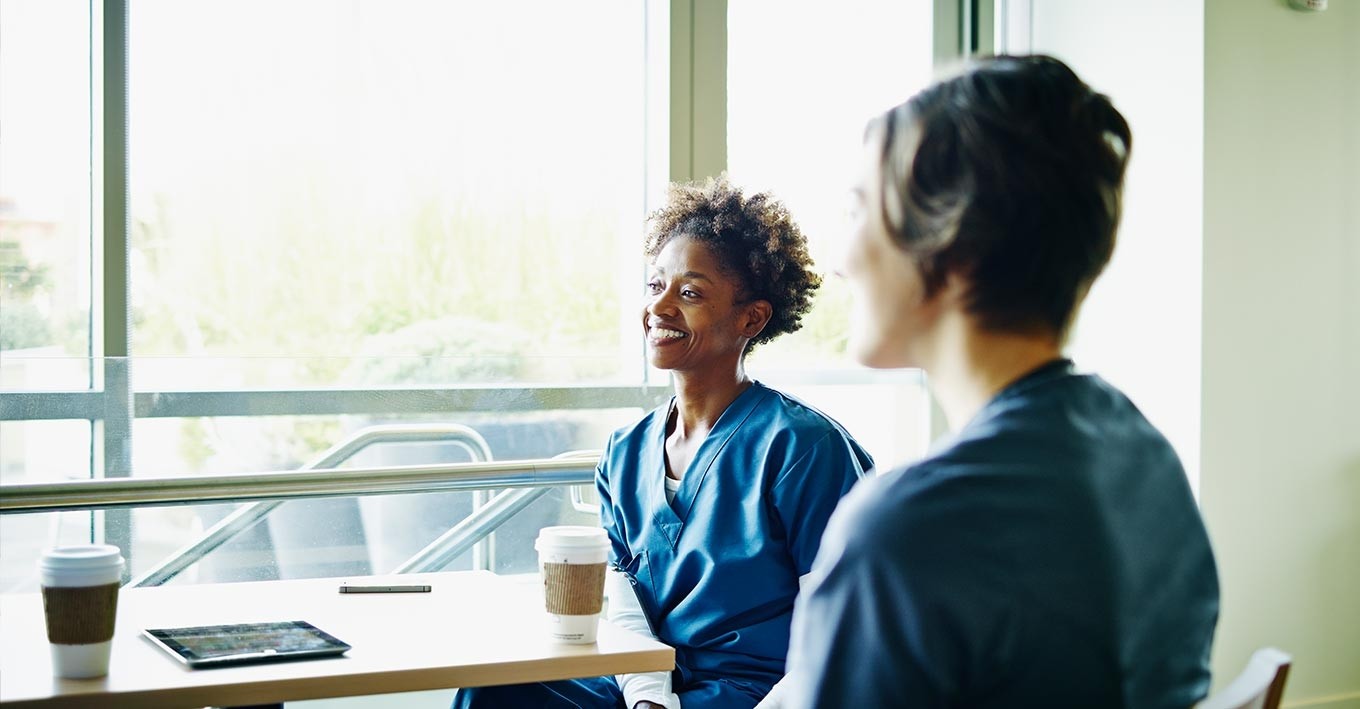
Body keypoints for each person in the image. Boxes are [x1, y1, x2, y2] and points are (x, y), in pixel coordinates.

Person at [782, 55, 1220, 708]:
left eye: (856, 210)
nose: (839, 260)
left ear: (951, 244)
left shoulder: (903, 536)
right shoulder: (1139, 451)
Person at [453, 177, 873, 709]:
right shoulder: (625, 452)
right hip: (647, 688)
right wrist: (650, 699)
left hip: (755, 695)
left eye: (690, 292)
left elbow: (847, 628)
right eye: (656, 286)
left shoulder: (805, 448)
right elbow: (624, 604)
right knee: (495, 693)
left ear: (753, 317)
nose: (661, 307)